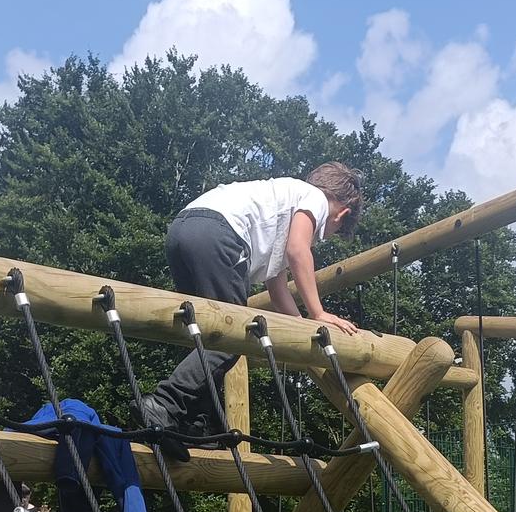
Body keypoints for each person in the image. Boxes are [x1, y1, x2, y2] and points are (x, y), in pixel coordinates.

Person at [140, 163, 365, 458]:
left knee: (203, 337)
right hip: (220, 234)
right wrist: (318, 313)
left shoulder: (282, 199)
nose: (325, 233)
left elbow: (277, 286)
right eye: (335, 231)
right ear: (342, 214)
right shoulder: (315, 200)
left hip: (184, 228)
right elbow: (298, 250)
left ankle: (189, 423)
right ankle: (164, 404)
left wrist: (301, 327)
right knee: (231, 337)